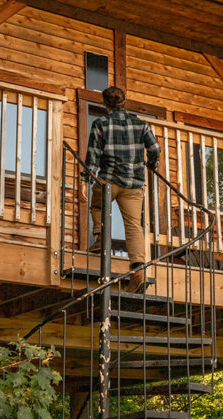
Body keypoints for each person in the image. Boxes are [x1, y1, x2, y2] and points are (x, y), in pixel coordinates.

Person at [81, 86, 160, 293]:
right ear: (124, 102)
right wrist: (152, 164)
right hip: (133, 183)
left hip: (109, 180)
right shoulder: (141, 124)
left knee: (97, 206)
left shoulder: (101, 123)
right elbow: (154, 149)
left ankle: (99, 236)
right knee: (134, 226)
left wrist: (85, 179)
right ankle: (138, 272)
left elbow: (93, 155)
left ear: (105, 104)